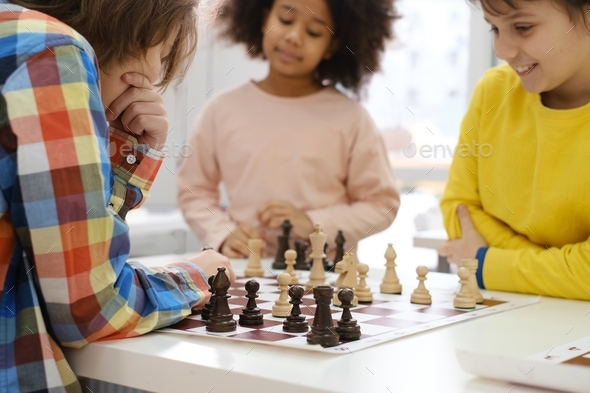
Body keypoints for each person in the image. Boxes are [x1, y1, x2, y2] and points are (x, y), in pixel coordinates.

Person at [0, 0, 234, 391]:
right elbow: (89, 308)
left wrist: (122, 151)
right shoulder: (51, 52)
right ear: (140, 24)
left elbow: (58, 262)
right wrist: (199, 274)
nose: (157, 73)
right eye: (163, 51)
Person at [178, 0, 401, 258]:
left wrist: (313, 223)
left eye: (314, 32)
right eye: (285, 19)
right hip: (246, 274)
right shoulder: (221, 110)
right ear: (263, 21)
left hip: (326, 280)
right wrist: (223, 233)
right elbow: (193, 191)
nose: (294, 37)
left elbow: (382, 204)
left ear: (332, 46)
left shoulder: (351, 119)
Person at [439, 0, 590, 300]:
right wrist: (561, 270)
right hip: (506, 322)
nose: (502, 50)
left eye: (523, 27)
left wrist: (484, 262)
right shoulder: (493, 91)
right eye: (495, 28)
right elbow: (458, 210)